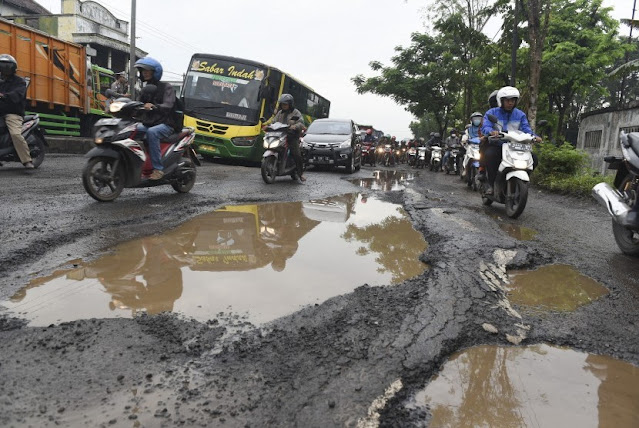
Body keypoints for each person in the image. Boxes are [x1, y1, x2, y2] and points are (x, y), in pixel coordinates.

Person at [480, 86, 542, 195]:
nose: (510, 103)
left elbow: (526, 129)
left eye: (512, 100)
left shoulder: (520, 114)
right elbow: (485, 126)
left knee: (534, 159)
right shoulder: (492, 112)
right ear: (501, 101)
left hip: (515, 146)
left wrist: (535, 136)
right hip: (498, 144)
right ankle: (491, 184)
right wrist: (491, 131)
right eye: (507, 100)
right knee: (490, 155)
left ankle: (522, 180)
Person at [134, 57, 179, 180]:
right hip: (149, 122)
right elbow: (137, 102)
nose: (145, 72)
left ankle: (158, 169)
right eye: (143, 70)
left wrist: (154, 106)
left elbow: (168, 104)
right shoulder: (145, 88)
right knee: (131, 129)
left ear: (156, 72)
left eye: (148, 70)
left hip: (166, 123)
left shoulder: (166, 87)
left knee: (152, 133)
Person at [263, 93, 306, 182]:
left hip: (292, 136)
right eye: (282, 104)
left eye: (285, 104)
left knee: (296, 154)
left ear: (290, 104)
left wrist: (295, 126)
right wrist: (268, 126)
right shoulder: (280, 113)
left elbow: (301, 123)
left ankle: (300, 173)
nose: (284, 106)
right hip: (280, 135)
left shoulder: (296, 112)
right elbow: (274, 122)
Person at [0, 54, 33, 168]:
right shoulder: (0, 81)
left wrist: (4, 95)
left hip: (12, 113)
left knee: (15, 134)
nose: (5, 69)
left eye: (7, 66)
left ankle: (27, 160)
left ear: (13, 68)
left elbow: (18, 94)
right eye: (2, 66)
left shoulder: (19, 82)